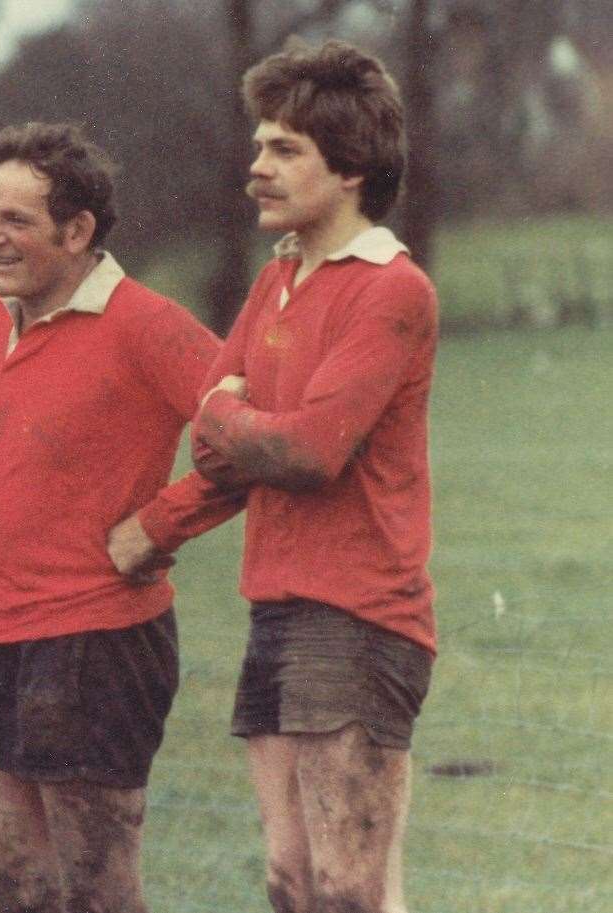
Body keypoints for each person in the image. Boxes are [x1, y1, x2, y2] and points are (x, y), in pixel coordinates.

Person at [116, 39, 439, 913]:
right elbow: (223, 452)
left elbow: (306, 452)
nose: (256, 167)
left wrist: (226, 411)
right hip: (278, 607)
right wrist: (164, 516)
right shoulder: (277, 283)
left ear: (352, 167)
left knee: (348, 892)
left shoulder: (391, 290)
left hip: (361, 615)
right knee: (293, 884)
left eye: (284, 149)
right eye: (259, 146)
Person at [0, 121, 227, 913]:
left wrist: (160, 525)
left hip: (94, 641)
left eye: (15, 221)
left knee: (97, 891)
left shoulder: (147, 323)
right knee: (15, 882)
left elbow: (252, 435)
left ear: (77, 230)